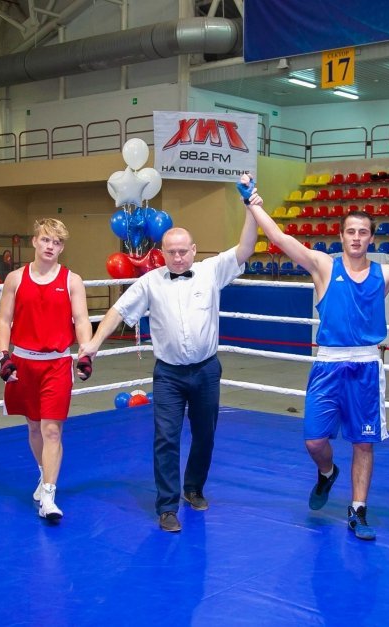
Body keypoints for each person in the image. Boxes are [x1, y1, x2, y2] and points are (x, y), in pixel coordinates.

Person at [245, 203, 389, 541]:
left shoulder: (386, 274)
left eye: (363, 232)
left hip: (365, 365)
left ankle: (358, 510)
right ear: (341, 235)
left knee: (363, 442)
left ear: (371, 238)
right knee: (314, 440)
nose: (357, 237)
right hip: (328, 363)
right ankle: (327, 472)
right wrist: (252, 202)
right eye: (351, 231)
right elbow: (278, 237)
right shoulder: (323, 265)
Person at [78, 197, 257, 533]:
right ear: (162, 251)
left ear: (193, 250)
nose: (177, 257)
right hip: (169, 375)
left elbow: (246, 248)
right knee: (166, 438)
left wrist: (250, 208)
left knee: (205, 435)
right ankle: (166, 506)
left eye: (183, 251)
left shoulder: (211, 270)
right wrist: (93, 345)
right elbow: (117, 310)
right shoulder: (150, 282)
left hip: (206, 369)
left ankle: (193, 488)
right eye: (171, 252)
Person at [0, 218, 94, 523]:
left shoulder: (71, 280)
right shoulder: (14, 278)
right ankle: (43, 475)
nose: (52, 246)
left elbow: (81, 320)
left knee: (52, 429)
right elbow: (3, 320)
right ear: (35, 241)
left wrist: (86, 353)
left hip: (57, 363)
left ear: (62, 247)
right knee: (35, 428)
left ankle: (49, 495)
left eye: (58, 242)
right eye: (47, 240)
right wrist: (3, 356)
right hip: (23, 363)